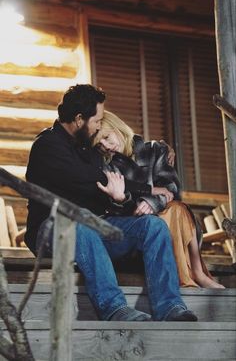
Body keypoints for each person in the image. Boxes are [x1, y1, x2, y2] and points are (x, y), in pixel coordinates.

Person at [25, 84, 198, 322]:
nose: (99, 124)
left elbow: (121, 172)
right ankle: (114, 308)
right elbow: (88, 179)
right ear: (79, 119)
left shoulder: (90, 146)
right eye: (96, 120)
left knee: (153, 226)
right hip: (52, 229)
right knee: (80, 224)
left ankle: (169, 306)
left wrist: (160, 148)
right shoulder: (47, 146)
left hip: (96, 226)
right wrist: (148, 189)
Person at [93, 110, 224, 289]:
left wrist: (152, 203)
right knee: (169, 214)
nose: (106, 146)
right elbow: (119, 208)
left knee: (176, 208)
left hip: (172, 216)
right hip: (139, 230)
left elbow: (172, 188)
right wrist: (125, 199)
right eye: (99, 144)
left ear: (117, 127)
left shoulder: (154, 150)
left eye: (107, 137)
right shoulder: (107, 167)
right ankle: (191, 274)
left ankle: (196, 272)